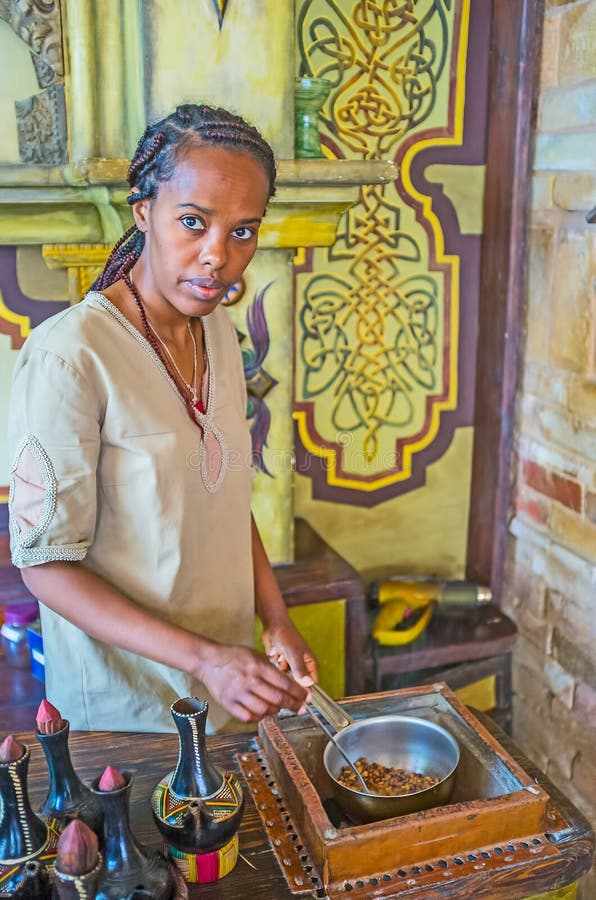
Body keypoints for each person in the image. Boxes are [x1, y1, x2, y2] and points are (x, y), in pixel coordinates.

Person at [7, 103, 317, 733]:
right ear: (143, 210)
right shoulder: (71, 357)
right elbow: (45, 567)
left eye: (242, 231)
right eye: (193, 222)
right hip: (126, 714)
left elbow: (225, 498)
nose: (218, 257)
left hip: (225, 691)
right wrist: (208, 658)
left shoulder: (218, 332)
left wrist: (274, 617)